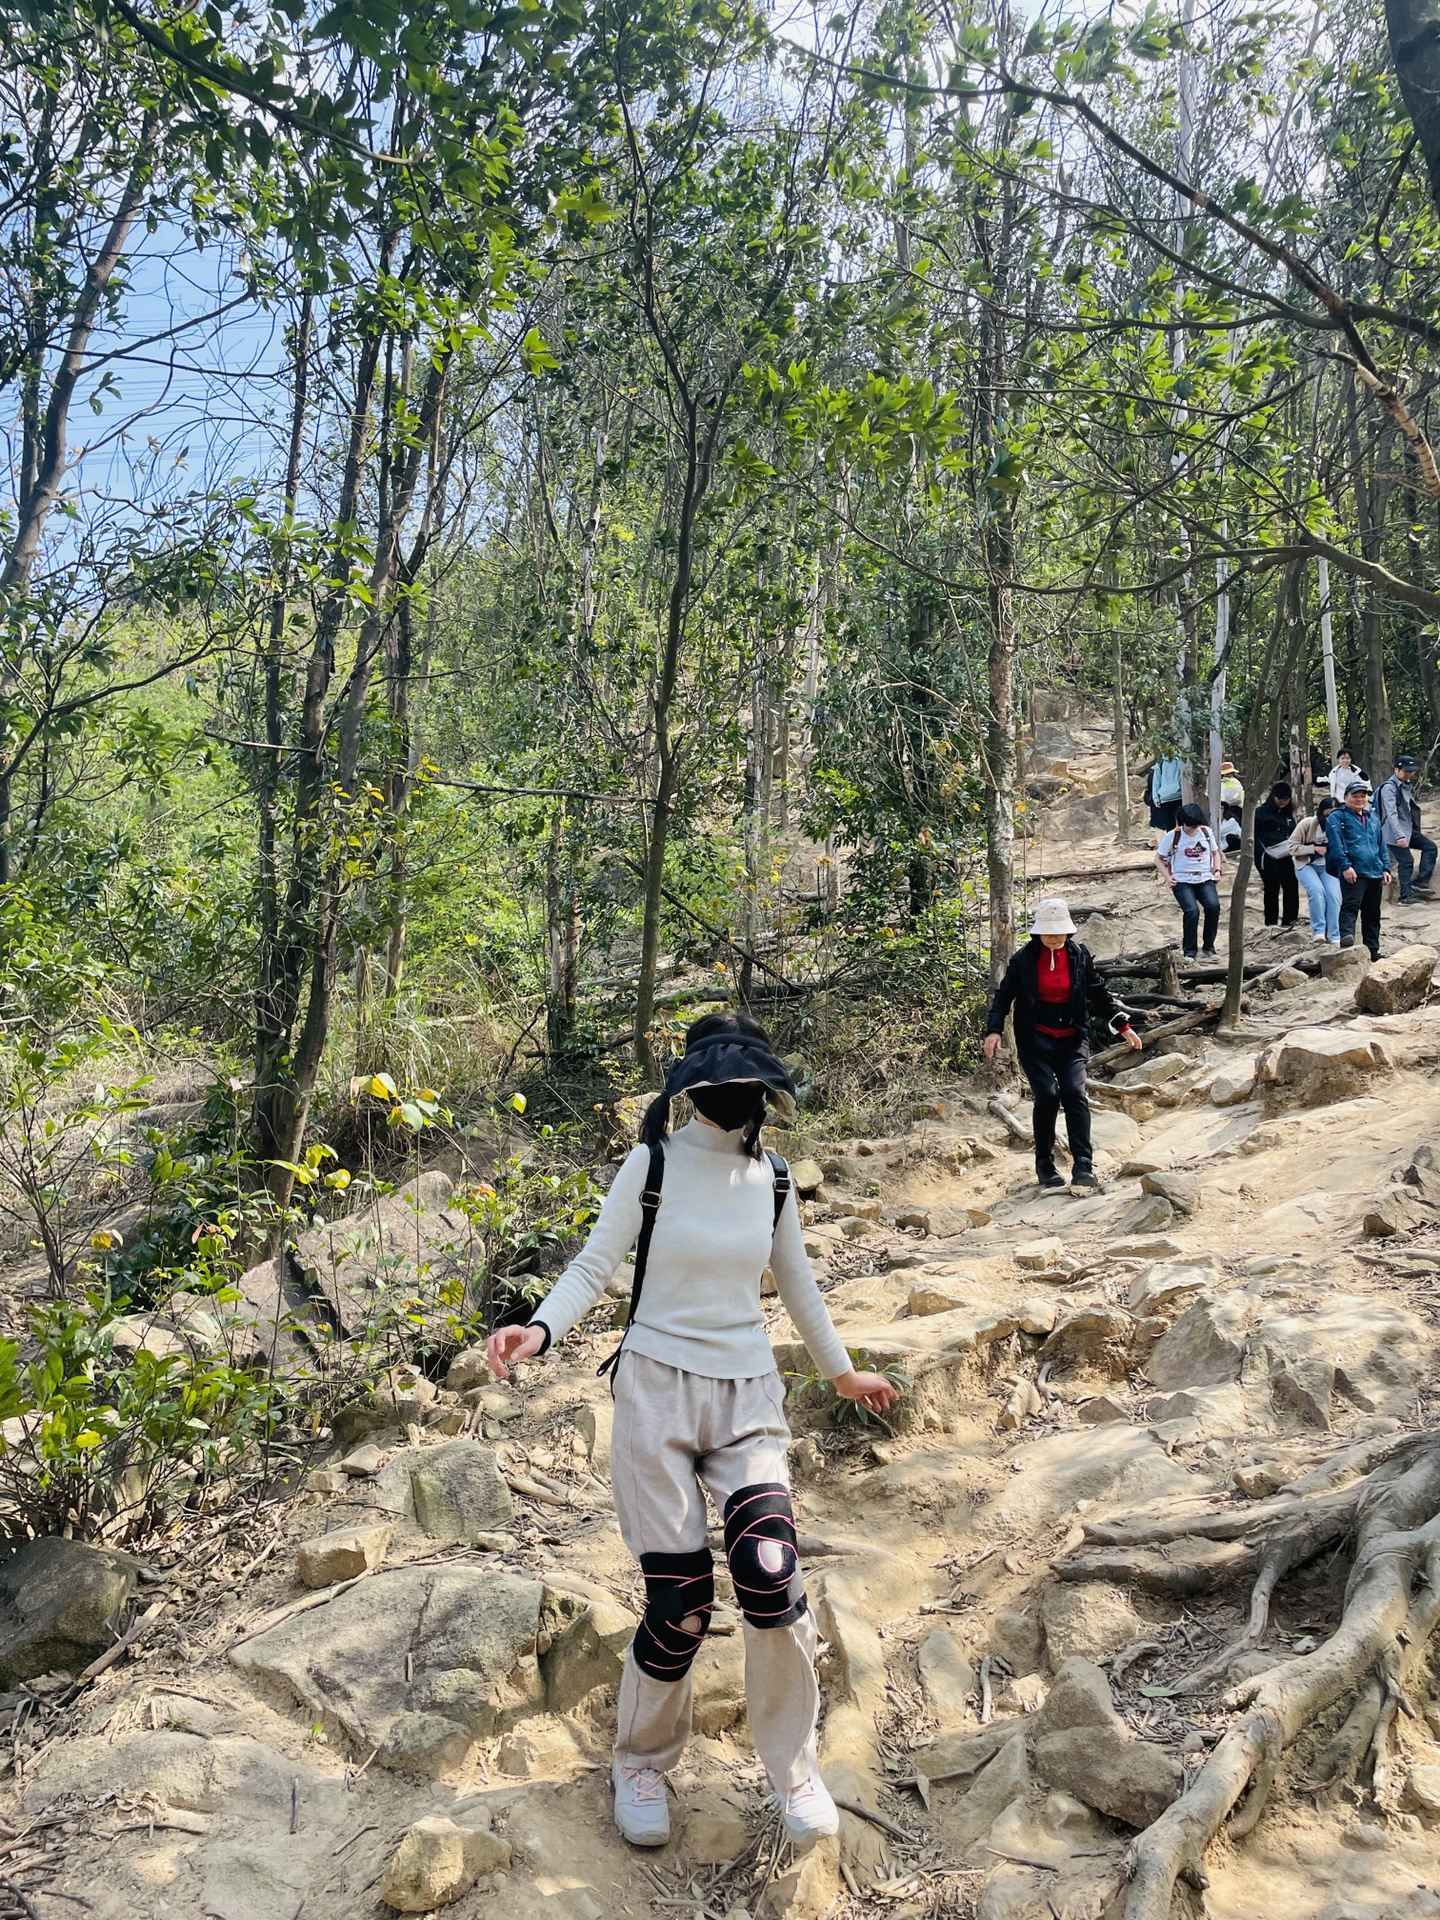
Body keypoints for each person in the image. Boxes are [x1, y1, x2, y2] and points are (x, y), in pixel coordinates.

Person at [485, 1011, 898, 1852]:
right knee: (679, 1605)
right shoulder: (653, 1164)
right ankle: (639, 1762)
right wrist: (539, 1329)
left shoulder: (775, 1180)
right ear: (694, 1090)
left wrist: (842, 1373)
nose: (734, 1099)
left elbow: (798, 1285)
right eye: (720, 1087)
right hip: (655, 1393)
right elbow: (595, 1265)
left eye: (747, 1088)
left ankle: (794, 1766)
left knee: (770, 1570)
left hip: (747, 1392)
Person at [982, 897, 1141, 1191]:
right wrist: (994, 1031)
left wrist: (1123, 1026)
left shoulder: (1079, 955)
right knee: (1047, 1096)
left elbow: (1098, 993)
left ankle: (1083, 1163)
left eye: (1059, 931)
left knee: (1074, 1093)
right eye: (1048, 931)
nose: (1055, 937)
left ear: (1068, 931)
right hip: (1035, 1038)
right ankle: (1045, 1164)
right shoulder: (1023, 960)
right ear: (1037, 932)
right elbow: (1004, 996)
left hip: (1072, 1038)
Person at [1325, 778, 1393, 957]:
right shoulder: (1336, 817)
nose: (1360, 799)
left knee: (1372, 914)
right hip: (1353, 870)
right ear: (1346, 797)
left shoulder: (1373, 818)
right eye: (1355, 795)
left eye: (1363, 796)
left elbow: (1381, 845)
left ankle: (1373, 951)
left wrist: (1386, 868)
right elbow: (1336, 844)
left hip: (1374, 871)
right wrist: (1345, 866)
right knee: (1351, 905)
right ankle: (1347, 937)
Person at [1155, 802, 1223, 960]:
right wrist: (1167, 876)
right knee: (1192, 911)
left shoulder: (1206, 832)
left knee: (1213, 906)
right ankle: (1190, 951)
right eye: (1191, 826)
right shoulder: (1173, 836)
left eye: (1196, 825)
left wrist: (1217, 870)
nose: (1194, 828)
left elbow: (1215, 853)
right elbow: (1158, 858)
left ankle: (1209, 947)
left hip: (1205, 878)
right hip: (1182, 880)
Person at [1377, 754, 1436, 904]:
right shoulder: (1389, 788)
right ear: (1396, 770)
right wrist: (1399, 836)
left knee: (1430, 847)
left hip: (1407, 830)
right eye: (1405, 771)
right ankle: (1405, 896)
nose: (1409, 774)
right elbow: (1391, 814)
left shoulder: (1406, 785)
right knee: (1406, 861)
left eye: (1411, 771)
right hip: (1392, 832)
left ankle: (1420, 882)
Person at [1288, 795, 1342, 944]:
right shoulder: (1308, 824)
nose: (1331, 818)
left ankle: (1334, 934)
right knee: (1317, 891)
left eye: (1335, 814)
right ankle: (1318, 931)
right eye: (1327, 815)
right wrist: (1314, 849)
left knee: (1334, 895)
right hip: (1306, 865)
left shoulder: (1342, 826)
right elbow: (1292, 847)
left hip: (1328, 866)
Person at [1253, 782, 1300, 928]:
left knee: (1291, 885)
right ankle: (1271, 921)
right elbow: (1252, 833)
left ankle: (1290, 921)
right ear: (1273, 797)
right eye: (1279, 799)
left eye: (1286, 800)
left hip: (1285, 854)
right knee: (1272, 886)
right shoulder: (1261, 812)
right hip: (1265, 854)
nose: (1282, 802)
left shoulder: (1289, 815)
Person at [1145, 752, 1184, 837]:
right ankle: (1176, 845)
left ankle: (1172, 847)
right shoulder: (1182, 757)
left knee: (1170, 826)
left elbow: (1156, 780)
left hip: (1164, 795)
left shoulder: (1161, 760)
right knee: (1181, 824)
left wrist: (1156, 797)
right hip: (1178, 794)